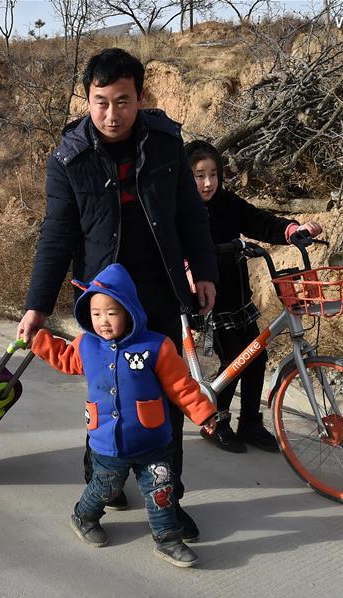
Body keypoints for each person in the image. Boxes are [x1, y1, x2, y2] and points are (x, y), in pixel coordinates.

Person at [17, 48, 218, 539]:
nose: (111, 114)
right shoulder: (69, 158)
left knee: (166, 397)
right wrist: (36, 307)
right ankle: (102, 485)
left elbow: (190, 214)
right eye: (100, 101)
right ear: (86, 99)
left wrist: (205, 271)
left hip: (160, 289)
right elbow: (57, 235)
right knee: (107, 392)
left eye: (122, 101)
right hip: (103, 297)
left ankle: (168, 499)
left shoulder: (168, 143)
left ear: (140, 96)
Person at [31, 263, 216, 568]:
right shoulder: (87, 345)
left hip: (152, 439)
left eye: (111, 313)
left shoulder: (156, 346)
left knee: (161, 490)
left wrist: (204, 413)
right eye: (96, 314)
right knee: (106, 487)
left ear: (129, 310)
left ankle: (168, 540)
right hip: (106, 441)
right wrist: (37, 339)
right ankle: (84, 516)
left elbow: (182, 386)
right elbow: (64, 358)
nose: (103, 321)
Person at [185, 140, 323, 452]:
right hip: (206, 299)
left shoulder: (226, 202)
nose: (208, 183)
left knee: (256, 355)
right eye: (198, 175)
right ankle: (215, 421)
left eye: (213, 174)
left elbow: (258, 221)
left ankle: (249, 422)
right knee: (234, 359)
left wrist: (292, 229)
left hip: (236, 293)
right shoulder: (180, 209)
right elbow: (170, 244)